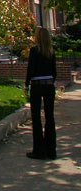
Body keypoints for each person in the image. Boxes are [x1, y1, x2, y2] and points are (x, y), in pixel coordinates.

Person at [25, 26, 57, 160]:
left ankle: (39, 150)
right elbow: (54, 72)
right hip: (49, 85)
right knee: (50, 117)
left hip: (37, 86)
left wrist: (26, 84)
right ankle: (51, 151)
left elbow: (31, 69)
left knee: (36, 117)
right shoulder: (51, 52)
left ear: (38, 37)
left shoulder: (34, 51)